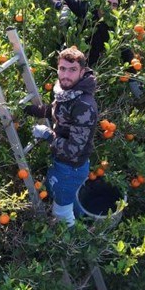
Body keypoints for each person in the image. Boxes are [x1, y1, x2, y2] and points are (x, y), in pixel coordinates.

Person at [24, 47, 98, 226]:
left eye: (72, 70)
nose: (66, 75)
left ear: (82, 72)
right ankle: (88, 223)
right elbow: (56, 110)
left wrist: (47, 135)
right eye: (62, 69)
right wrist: (28, 110)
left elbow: (73, 150)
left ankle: (71, 246)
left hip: (70, 168)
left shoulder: (84, 105)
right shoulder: (66, 92)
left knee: (62, 213)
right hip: (62, 163)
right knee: (66, 198)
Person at [50, 0, 143, 98]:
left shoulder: (113, 26)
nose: (110, 7)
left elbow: (126, 53)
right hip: (66, 61)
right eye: (108, 3)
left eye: (114, 5)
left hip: (86, 71)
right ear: (100, 1)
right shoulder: (87, 9)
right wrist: (60, 4)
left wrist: (133, 80)